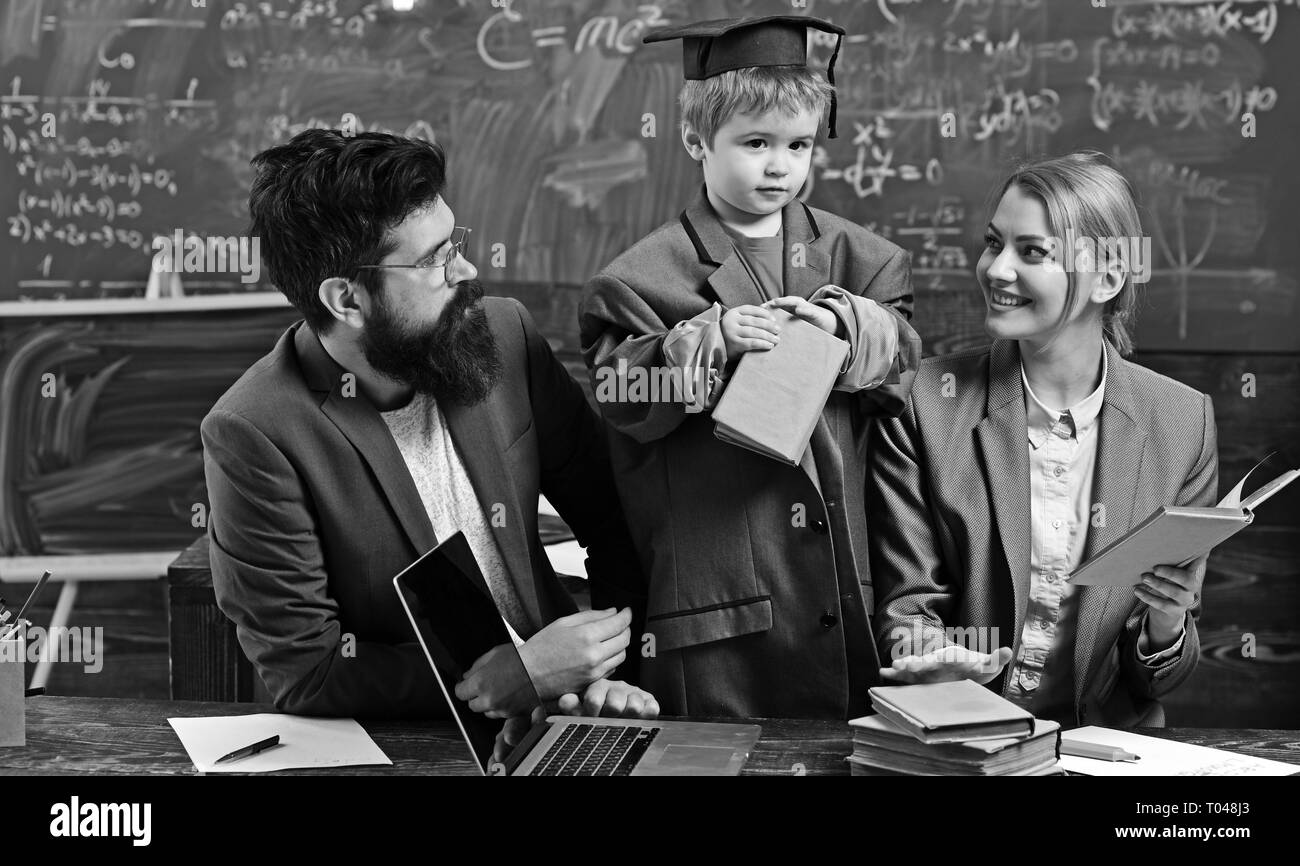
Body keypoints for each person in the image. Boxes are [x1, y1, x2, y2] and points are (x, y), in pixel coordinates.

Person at [203, 129, 655, 721]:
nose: (466, 269)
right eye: (435, 259)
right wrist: (508, 675)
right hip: (422, 741)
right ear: (347, 300)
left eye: (455, 242)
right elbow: (307, 671)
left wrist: (610, 669)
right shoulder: (254, 432)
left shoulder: (503, 335)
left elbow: (612, 514)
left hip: (574, 712)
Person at [580, 16, 922, 718]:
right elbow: (623, 397)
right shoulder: (637, 280)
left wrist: (844, 323)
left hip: (843, 596)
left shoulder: (866, 261)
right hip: (720, 615)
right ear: (696, 140)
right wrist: (710, 336)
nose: (780, 166)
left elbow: (906, 372)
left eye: (799, 145)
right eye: (756, 143)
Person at [868, 151, 1217, 727]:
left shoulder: (1182, 425)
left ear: (1107, 276)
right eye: (993, 243)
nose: (997, 269)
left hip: (1107, 754)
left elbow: (1159, 678)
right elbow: (906, 610)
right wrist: (935, 659)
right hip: (966, 739)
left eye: (1032, 252)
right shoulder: (923, 404)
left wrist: (1168, 624)